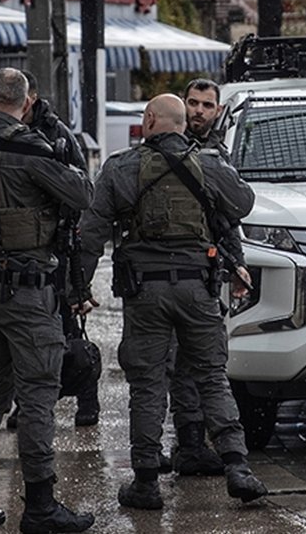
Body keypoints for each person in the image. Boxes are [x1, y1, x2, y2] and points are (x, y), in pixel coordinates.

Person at [75, 93, 268, 509]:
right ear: (182, 123)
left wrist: (78, 289)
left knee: (147, 385)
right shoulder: (210, 163)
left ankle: (146, 483)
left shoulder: (120, 167)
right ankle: (237, 467)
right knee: (211, 376)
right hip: (197, 289)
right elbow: (243, 204)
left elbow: (91, 233)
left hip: (144, 292)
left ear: (148, 120)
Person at [0, 68, 94, 533]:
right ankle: (42, 506)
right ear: (26, 103)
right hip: (27, 289)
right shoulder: (29, 147)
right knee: (38, 395)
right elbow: (83, 194)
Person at [2, 70, 99, 429]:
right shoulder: (5, 132)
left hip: (59, 244)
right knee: (25, 332)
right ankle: (26, 401)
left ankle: (87, 398)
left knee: (69, 325)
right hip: (25, 247)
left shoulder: (56, 134)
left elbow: (80, 187)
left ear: (32, 99)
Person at [166, 78, 251, 476]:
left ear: (218, 111)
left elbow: (228, 219)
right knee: (168, 368)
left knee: (196, 366)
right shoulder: (161, 149)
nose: (199, 111)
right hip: (162, 278)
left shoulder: (218, 157)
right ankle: (180, 445)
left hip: (203, 274)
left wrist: (237, 263)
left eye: (206, 105)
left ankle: (191, 445)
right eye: (193, 103)